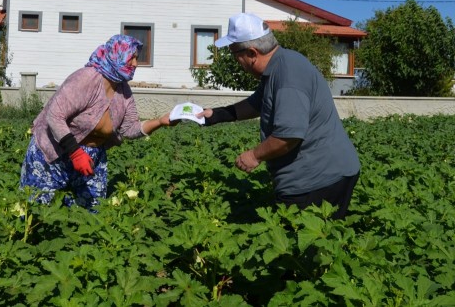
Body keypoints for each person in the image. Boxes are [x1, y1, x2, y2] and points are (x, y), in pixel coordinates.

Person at [198, 13, 360, 219]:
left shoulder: (288, 74)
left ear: (252, 53)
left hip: (318, 180)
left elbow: (288, 135)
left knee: (300, 238)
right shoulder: (279, 66)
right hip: (320, 175)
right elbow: (255, 104)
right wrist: (216, 115)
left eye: (234, 54)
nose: (235, 60)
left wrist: (254, 156)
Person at [20, 34, 176, 209]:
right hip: (56, 152)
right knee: (38, 210)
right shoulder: (86, 78)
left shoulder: (123, 90)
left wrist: (160, 121)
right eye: (131, 58)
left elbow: (129, 128)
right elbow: (55, 115)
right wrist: (76, 153)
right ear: (117, 56)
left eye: (136, 59)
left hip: (91, 158)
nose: (135, 64)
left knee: (91, 214)